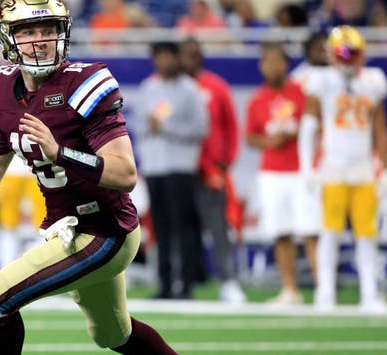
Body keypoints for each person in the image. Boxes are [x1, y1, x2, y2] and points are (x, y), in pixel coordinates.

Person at [0, 2, 228, 355]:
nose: (40, 39)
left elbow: (126, 174)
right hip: (67, 228)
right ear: (7, 39)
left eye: (48, 29)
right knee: (113, 334)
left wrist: (60, 152)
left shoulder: (85, 82)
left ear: (64, 32)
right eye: (28, 31)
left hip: (103, 231)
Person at [298, 26, 387, 313]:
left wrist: (384, 168)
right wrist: (306, 168)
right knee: (330, 233)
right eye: (343, 54)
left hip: (363, 169)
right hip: (333, 168)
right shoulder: (321, 80)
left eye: (353, 53)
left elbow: (379, 131)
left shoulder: (372, 81)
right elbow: (309, 127)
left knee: (366, 235)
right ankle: (325, 293)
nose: (348, 60)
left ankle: (369, 294)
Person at [133, 41, 208, 300]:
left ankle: (186, 283)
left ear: (177, 59)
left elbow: (200, 128)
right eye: (159, 57)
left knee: (184, 228)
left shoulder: (189, 89)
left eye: (168, 57)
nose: (164, 62)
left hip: (180, 166)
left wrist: (165, 128)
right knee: (161, 228)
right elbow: (136, 125)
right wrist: (150, 126)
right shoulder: (148, 88)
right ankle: (165, 284)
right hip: (155, 167)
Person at [246, 42, 319, 305]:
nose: (271, 67)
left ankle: (324, 289)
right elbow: (251, 137)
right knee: (281, 231)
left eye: (276, 62)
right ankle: (291, 290)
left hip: (301, 170)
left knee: (311, 231)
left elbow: (317, 129)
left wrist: (293, 134)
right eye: (267, 62)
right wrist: (269, 142)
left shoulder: (303, 93)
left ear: (286, 65)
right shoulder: (257, 99)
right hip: (272, 173)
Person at [180, 38, 245, 304]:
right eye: (185, 54)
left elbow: (231, 127)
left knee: (218, 228)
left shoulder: (216, 87)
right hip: (181, 170)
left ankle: (228, 281)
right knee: (183, 230)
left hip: (211, 172)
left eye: (195, 53)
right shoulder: (173, 88)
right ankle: (186, 282)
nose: (190, 58)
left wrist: (225, 162)